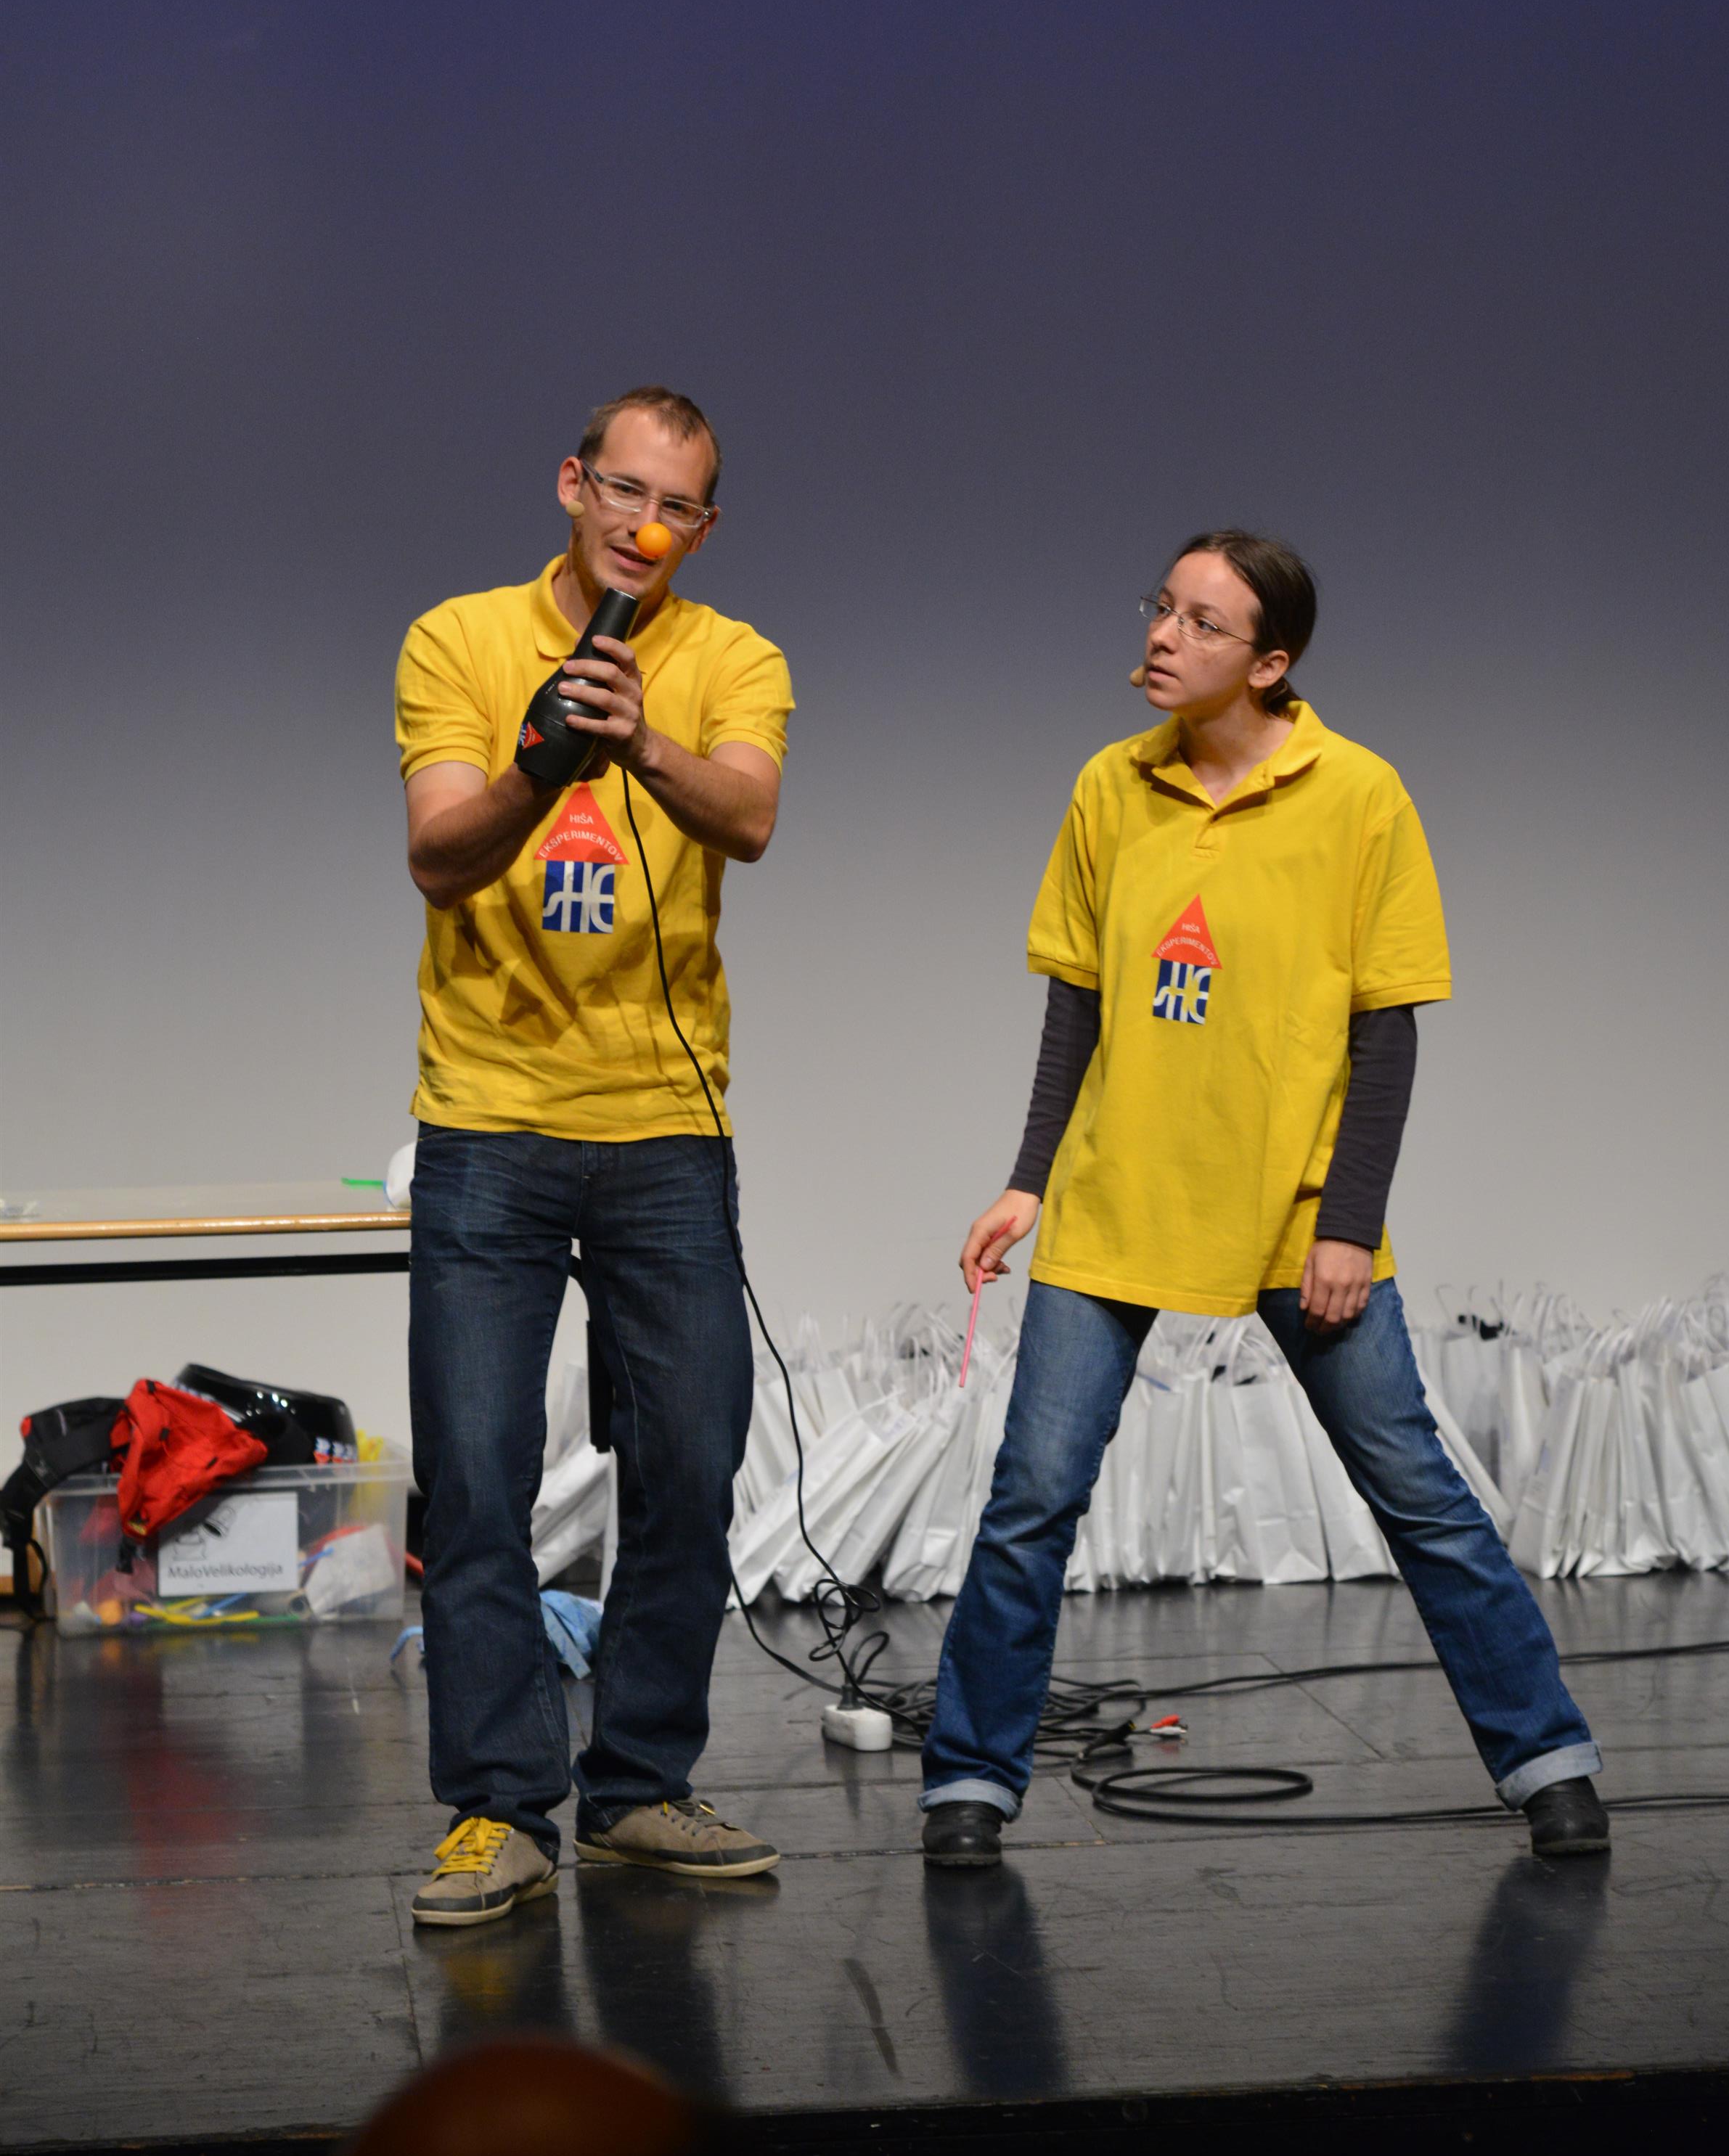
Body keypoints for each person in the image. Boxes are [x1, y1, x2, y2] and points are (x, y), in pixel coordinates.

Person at [920, 529, 1609, 1869]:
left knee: (1415, 1490)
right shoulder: (1109, 787)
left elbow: (1386, 1032)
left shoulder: (1360, 796)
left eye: (1202, 621)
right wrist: (1026, 1181)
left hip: (1299, 1212)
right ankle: (969, 1783)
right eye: (1161, 606)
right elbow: (1077, 1012)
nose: (1163, 634)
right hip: (1118, 1200)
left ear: (1271, 662)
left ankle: (1550, 1761)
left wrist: (1347, 1222)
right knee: (1030, 1501)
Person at [396, 387, 790, 1924]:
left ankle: (636, 1786)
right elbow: (439, 853)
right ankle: (500, 1809)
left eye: (677, 505)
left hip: (666, 1129)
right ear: (571, 483)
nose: (645, 525)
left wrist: (641, 740)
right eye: (623, 490)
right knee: (477, 1474)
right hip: (489, 1119)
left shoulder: (734, 656)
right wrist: (539, 767)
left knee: (691, 1462)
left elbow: (748, 816)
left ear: (706, 525)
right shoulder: (458, 637)